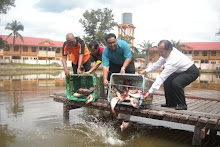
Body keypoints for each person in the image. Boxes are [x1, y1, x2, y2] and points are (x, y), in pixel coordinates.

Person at [139, 40, 199, 110]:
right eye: (159, 51)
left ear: (169, 49)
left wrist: (149, 92)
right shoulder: (166, 54)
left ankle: (182, 105)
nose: (160, 54)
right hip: (181, 71)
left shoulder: (174, 59)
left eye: (161, 52)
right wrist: (145, 71)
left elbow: (161, 77)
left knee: (176, 83)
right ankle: (171, 103)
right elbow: (157, 65)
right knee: (167, 80)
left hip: (191, 72)